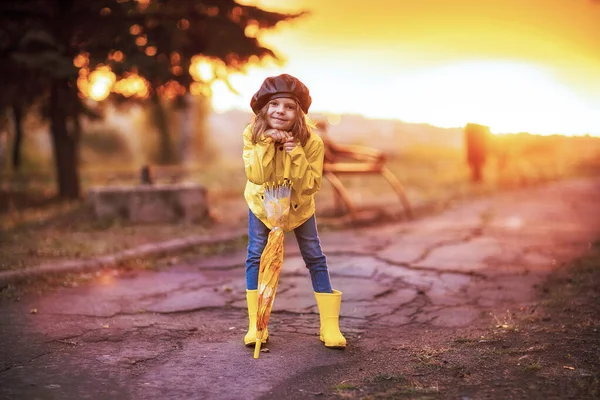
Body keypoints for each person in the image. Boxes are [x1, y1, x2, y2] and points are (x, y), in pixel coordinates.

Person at [242, 74, 346, 349]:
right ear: (265, 108)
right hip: (263, 204)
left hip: (298, 207)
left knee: (314, 256)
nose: (281, 111)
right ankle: (257, 325)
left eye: (289, 106)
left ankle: (329, 326)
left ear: (298, 112)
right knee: (256, 255)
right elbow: (256, 175)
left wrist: (295, 152)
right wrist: (265, 143)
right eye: (275, 104)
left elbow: (311, 185)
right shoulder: (251, 135)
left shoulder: (312, 143)